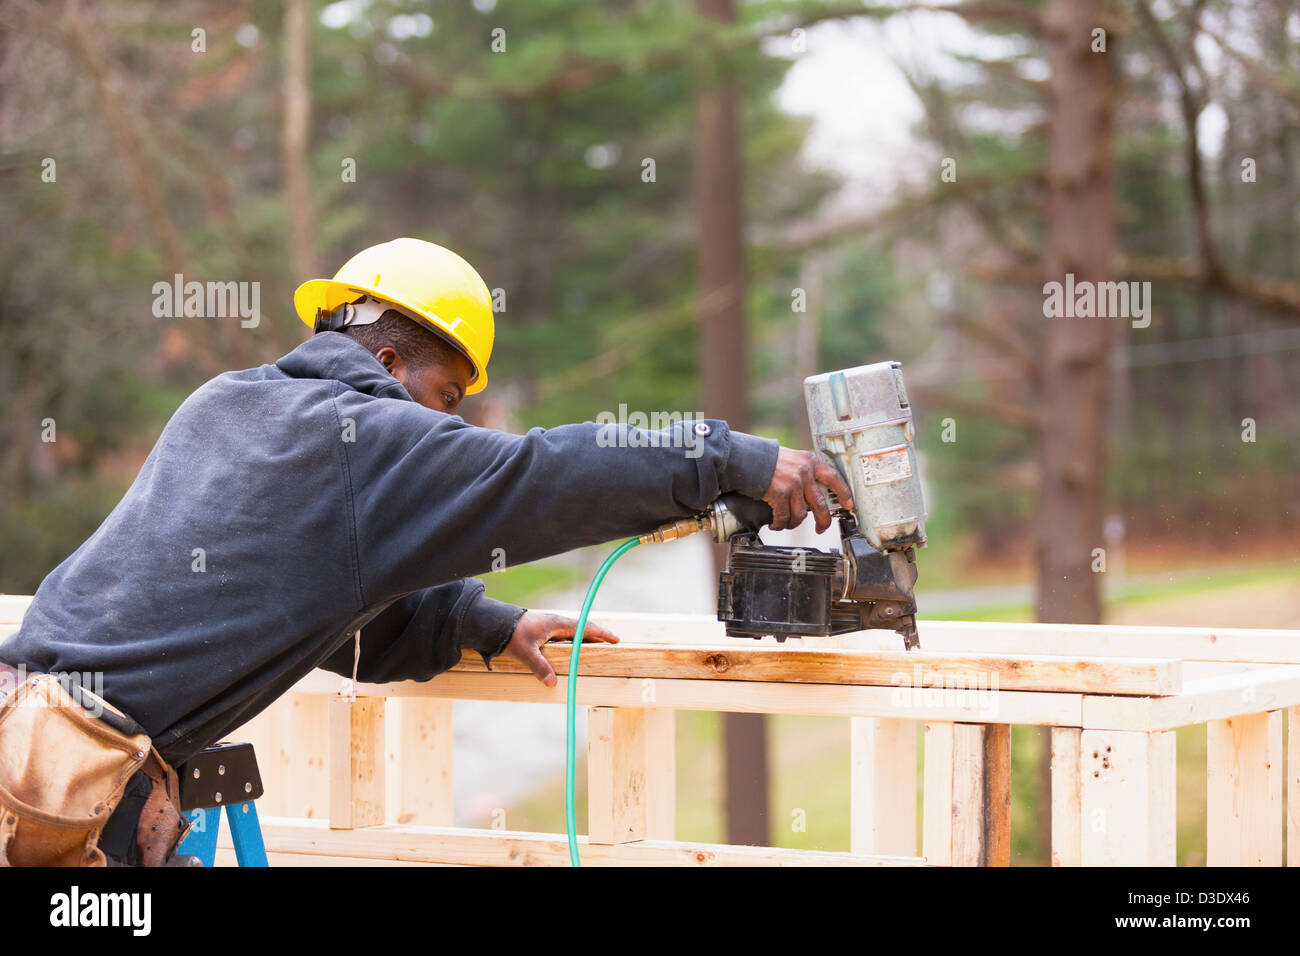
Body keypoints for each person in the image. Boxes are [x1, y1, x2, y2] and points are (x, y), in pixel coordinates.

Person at [0, 237, 853, 866]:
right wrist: (729, 458)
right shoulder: (358, 440)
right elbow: (540, 476)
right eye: (447, 396)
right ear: (384, 360)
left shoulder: (228, 402)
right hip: (63, 781)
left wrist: (478, 624)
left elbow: (316, 603)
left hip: (32, 737)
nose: (448, 425)